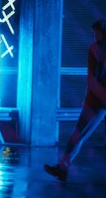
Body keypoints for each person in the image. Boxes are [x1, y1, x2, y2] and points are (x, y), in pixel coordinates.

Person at [44, 19, 106, 182]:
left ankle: (62, 168)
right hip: (99, 101)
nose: (94, 35)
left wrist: (89, 98)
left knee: (79, 133)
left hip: (96, 101)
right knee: (80, 134)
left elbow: (92, 80)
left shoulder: (94, 49)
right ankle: (62, 167)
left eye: (96, 32)